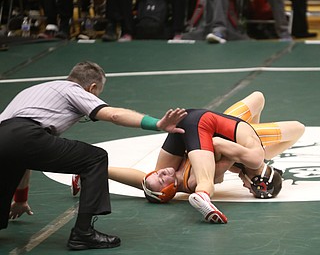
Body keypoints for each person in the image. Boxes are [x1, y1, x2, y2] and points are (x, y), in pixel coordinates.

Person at [11, 92, 305, 224]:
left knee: (153, 180)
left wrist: (244, 142)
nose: (243, 186)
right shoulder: (247, 159)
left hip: (206, 124)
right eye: (249, 184)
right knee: (195, 179)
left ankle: (86, 172)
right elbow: (215, 145)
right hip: (210, 131)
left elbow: (145, 179)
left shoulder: (253, 155)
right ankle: (205, 195)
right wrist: (230, 161)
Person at [0, 61, 187, 250]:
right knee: (95, 158)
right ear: (93, 88)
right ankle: (83, 233)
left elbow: (22, 152)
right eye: (98, 95)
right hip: (26, 136)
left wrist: (21, 198)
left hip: (5, 137)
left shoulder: (34, 91)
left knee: (13, 160)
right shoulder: (74, 90)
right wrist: (156, 124)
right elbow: (114, 115)